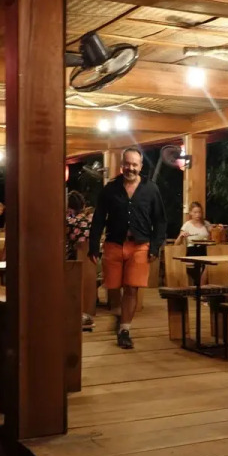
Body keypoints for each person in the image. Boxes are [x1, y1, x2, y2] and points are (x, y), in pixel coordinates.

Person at [89, 147, 167, 349]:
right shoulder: (110, 189)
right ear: (121, 165)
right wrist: (93, 247)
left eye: (134, 164)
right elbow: (98, 219)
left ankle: (124, 329)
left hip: (140, 245)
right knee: (113, 287)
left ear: (140, 166)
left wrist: (155, 247)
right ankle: (118, 314)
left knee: (132, 288)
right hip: (113, 244)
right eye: (127, 164)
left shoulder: (151, 189)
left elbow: (160, 221)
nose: (130, 168)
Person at [67, 191, 96, 329]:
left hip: (72, 261)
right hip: (92, 259)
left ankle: (73, 311)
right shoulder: (90, 220)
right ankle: (88, 312)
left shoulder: (69, 221)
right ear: (83, 205)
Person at [175, 201, 212, 284]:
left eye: (199, 212)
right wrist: (181, 236)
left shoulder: (206, 224)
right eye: (195, 212)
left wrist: (217, 229)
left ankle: (201, 286)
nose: (197, 215)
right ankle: (197, 285)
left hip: (205, 250)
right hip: (192, 250)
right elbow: (176, 243)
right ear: (191, 213)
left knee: (208, 267)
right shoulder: (187, 225)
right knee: (195, 270)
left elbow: (213, 236)